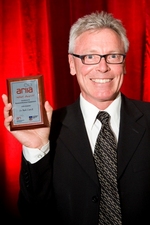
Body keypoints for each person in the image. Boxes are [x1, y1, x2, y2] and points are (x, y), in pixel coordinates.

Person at [2, 11, 150, 225]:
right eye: (90, 57)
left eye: (113, 56)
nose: (102, 67)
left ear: (124, 64)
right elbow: (33, 215)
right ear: (72, 64)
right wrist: (36, 149)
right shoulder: (49, 130)